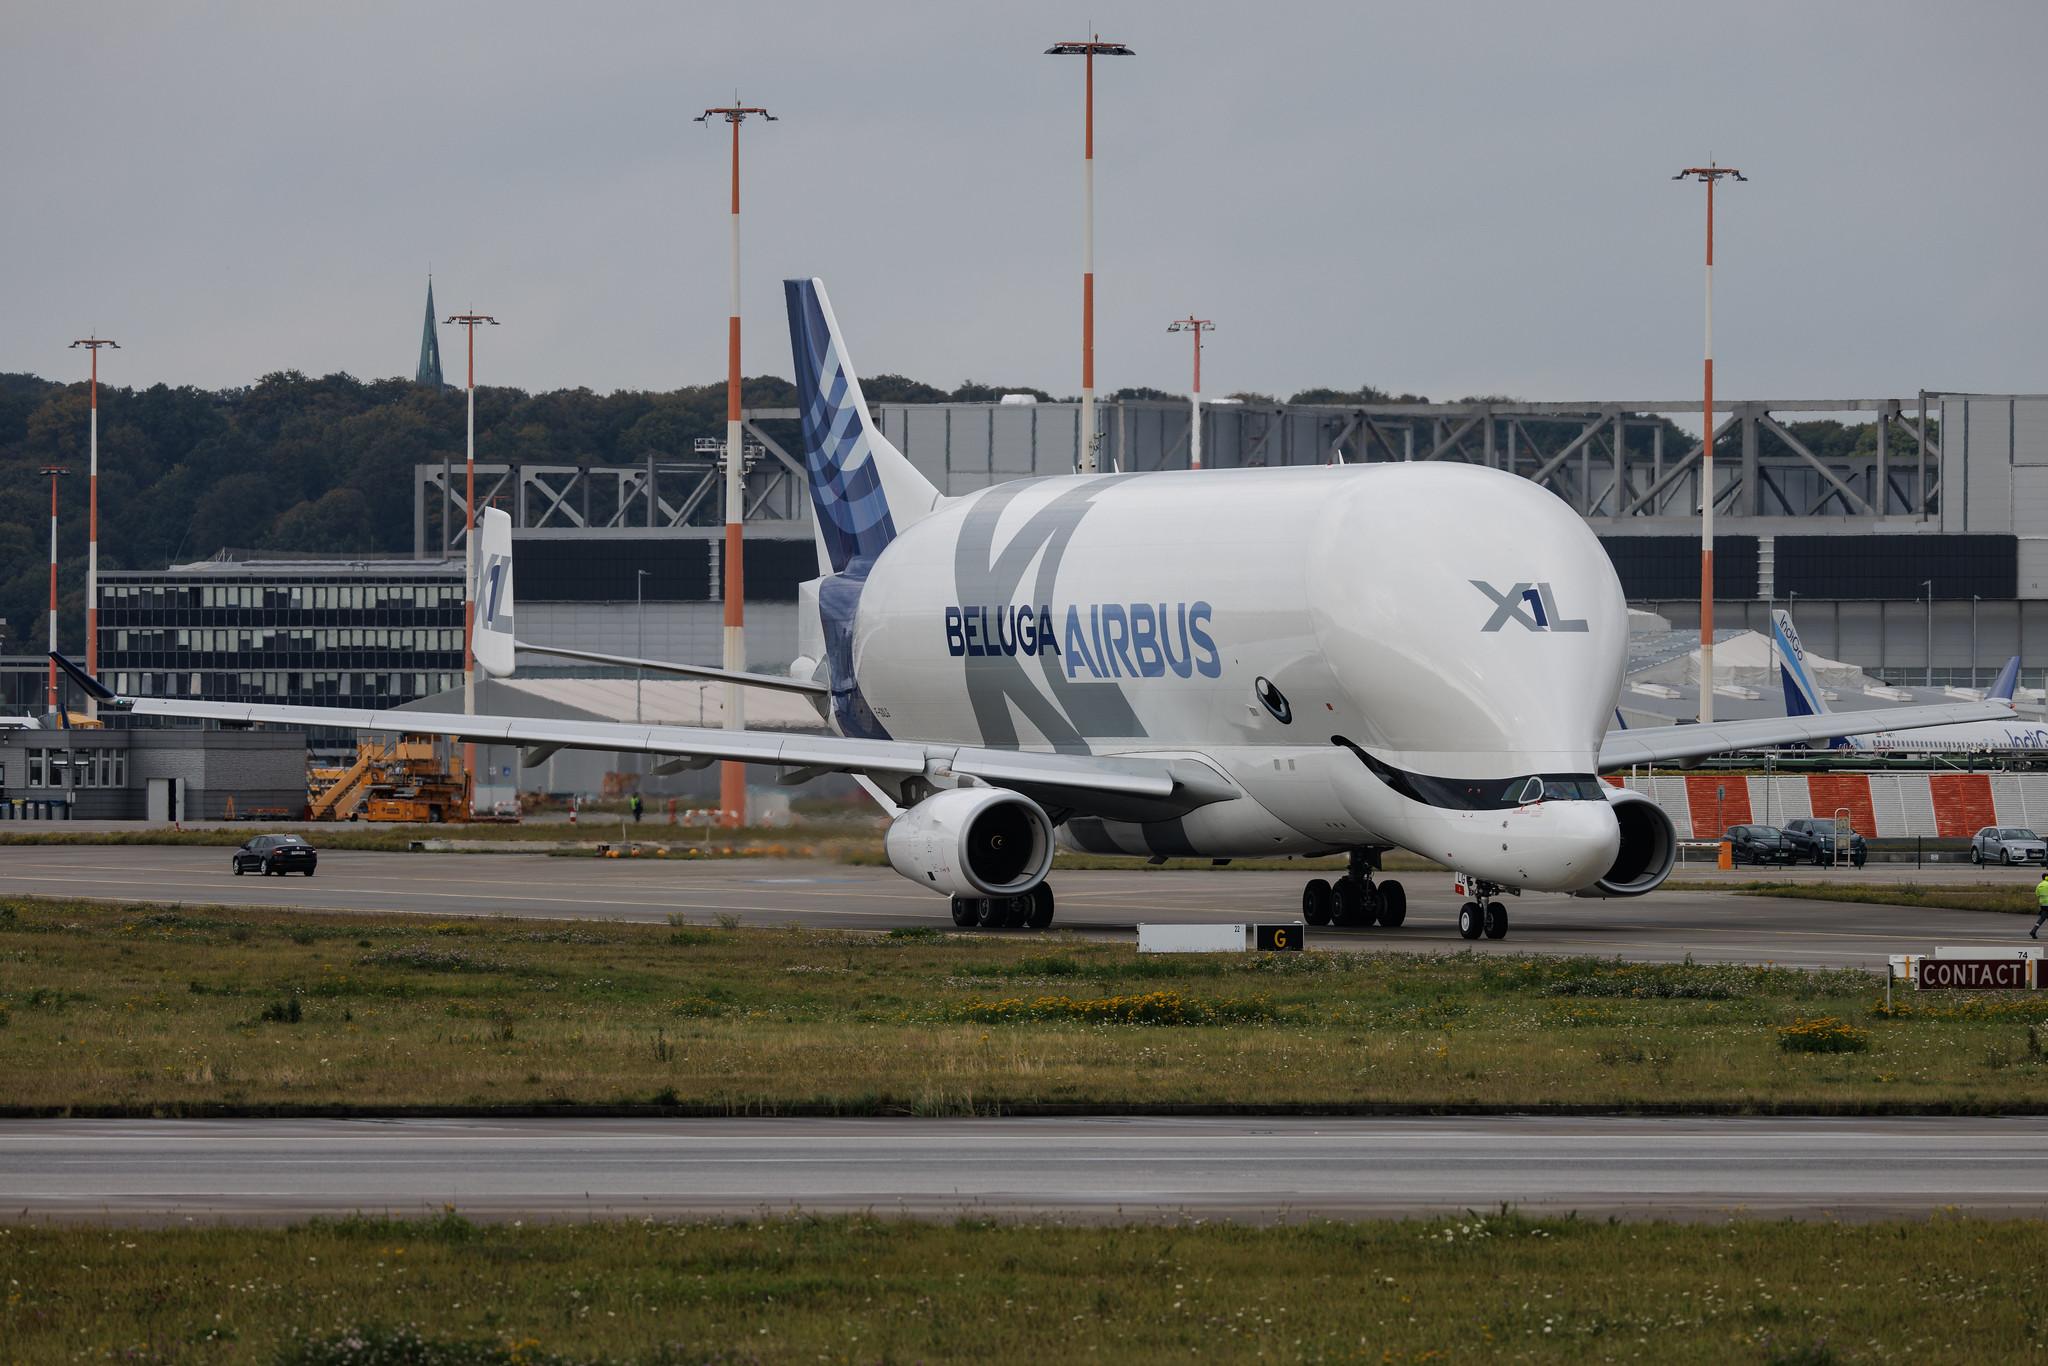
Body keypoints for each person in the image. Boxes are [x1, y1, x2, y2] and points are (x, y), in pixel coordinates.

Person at [2034, 869, 2048, 939]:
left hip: (2043, 904)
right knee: (2042, 918)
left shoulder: (2039, 885)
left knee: (2042, 918)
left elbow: (2037, 894)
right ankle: (2033, 931)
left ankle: (2033, 931)